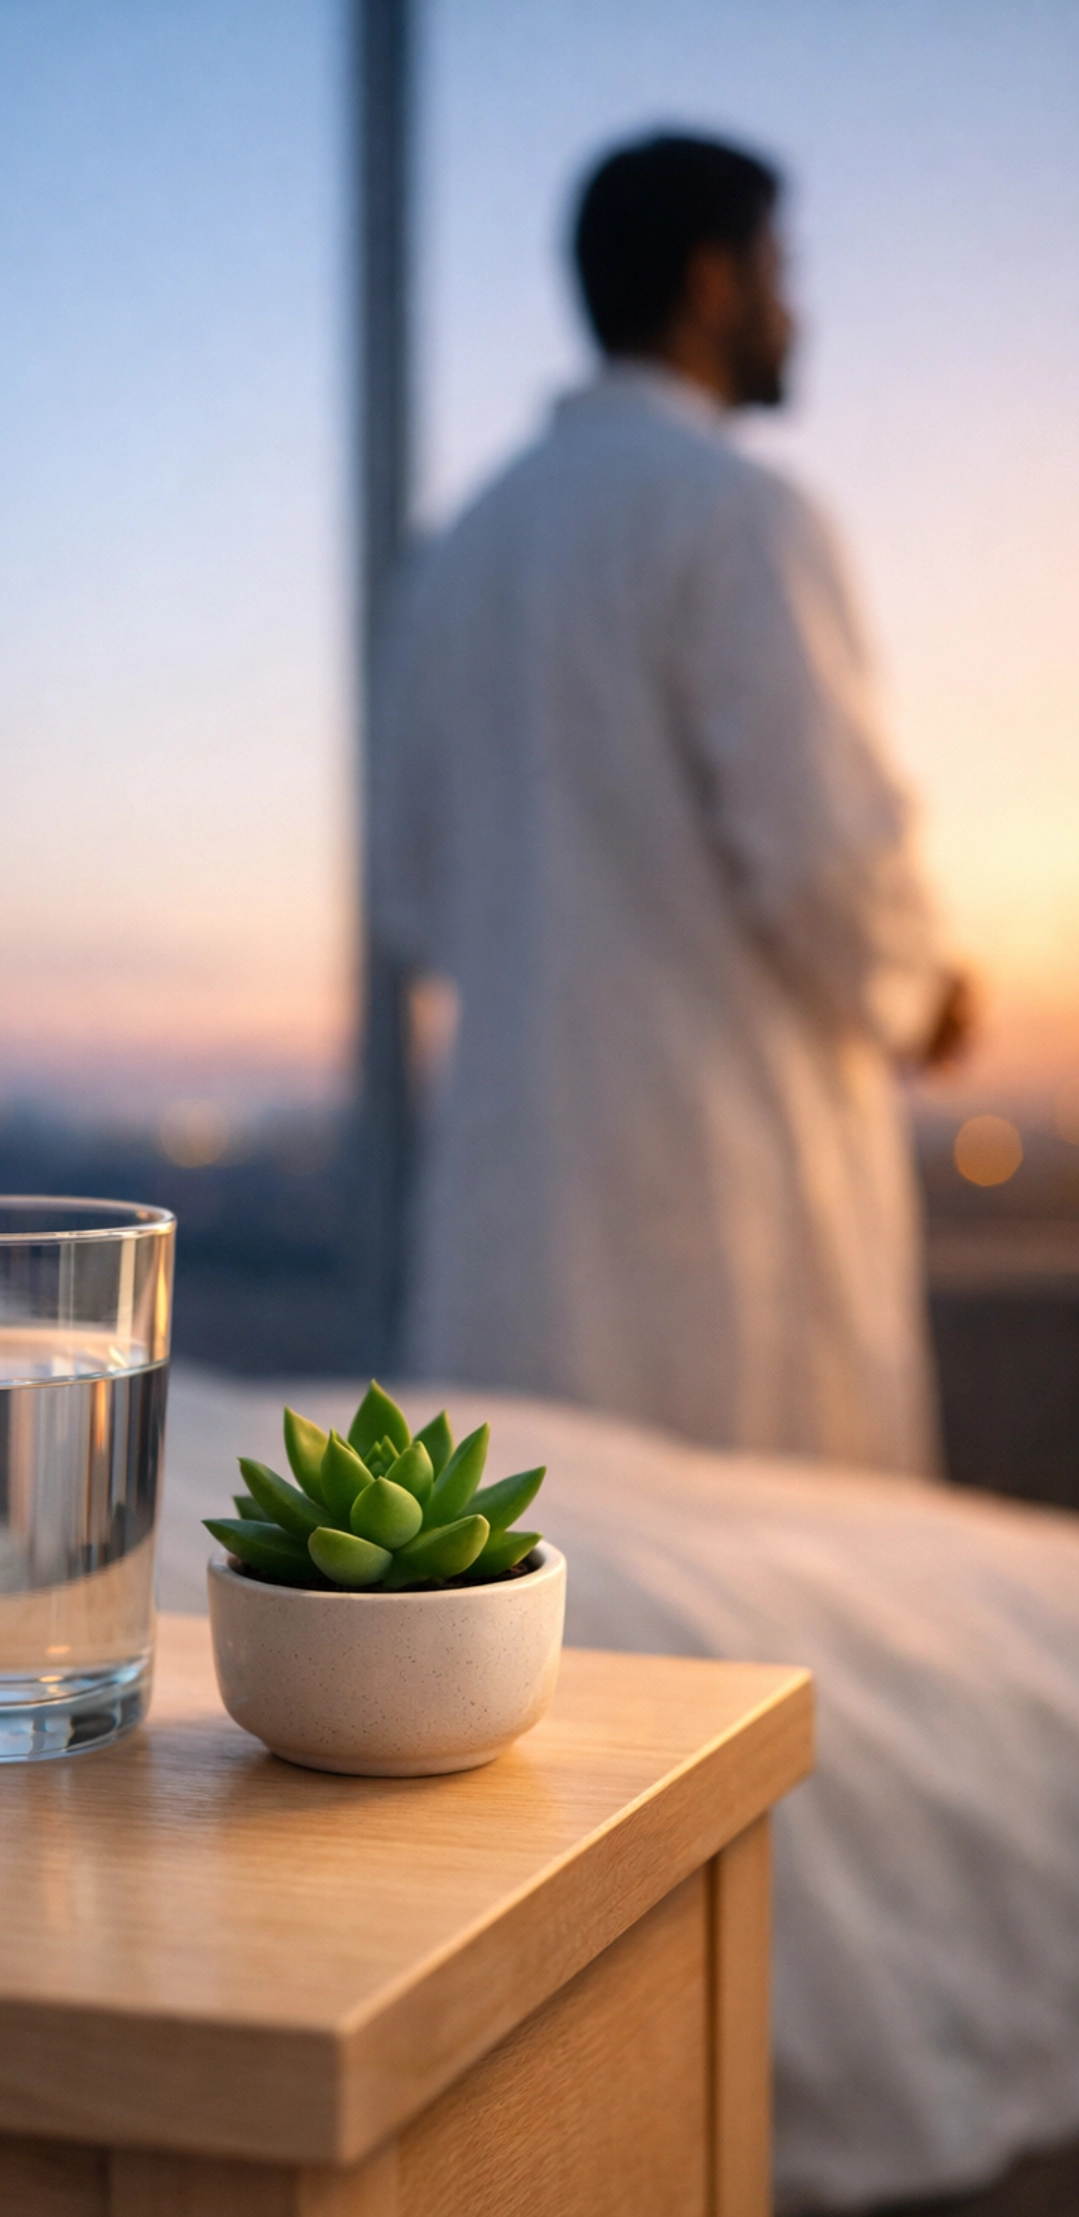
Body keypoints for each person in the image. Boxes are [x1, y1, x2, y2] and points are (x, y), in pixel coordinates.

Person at [374, 131, 970, 1475]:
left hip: (507, 1224)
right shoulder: (738, 517)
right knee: (768, 1625)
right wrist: (923, 989)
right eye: (778, 270)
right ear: (710, 284)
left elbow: (410, 891)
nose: (792, 310)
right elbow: (827, 860)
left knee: (534, 1630)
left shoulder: (457, 554)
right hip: (723, 1224)